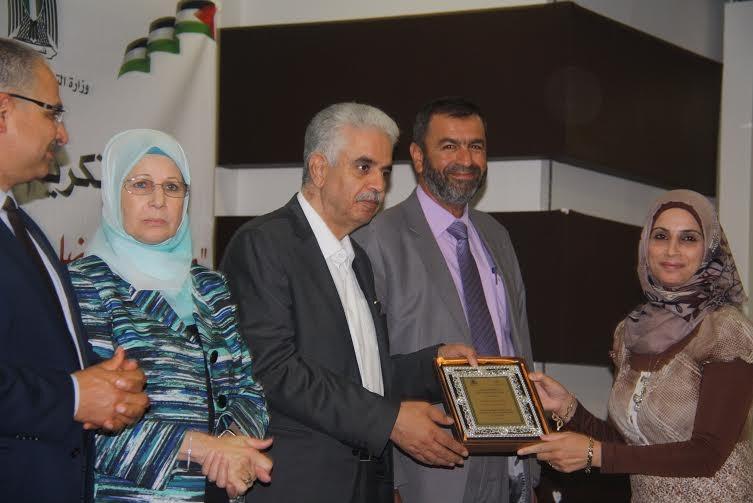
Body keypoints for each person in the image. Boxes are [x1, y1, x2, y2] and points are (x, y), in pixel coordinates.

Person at [220, 102, 479, 503]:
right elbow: (272, 369)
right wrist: (390, 421)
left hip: (366, 482)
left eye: (385, 172)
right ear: (319, 169)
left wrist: (433, 365)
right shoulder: (263, 244)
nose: (379, 185)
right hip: (298, 486)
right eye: (364, 167)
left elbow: (361, 374)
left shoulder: (357, 258)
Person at [68, 129, 272, 502]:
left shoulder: (209, 286)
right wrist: (201, 449)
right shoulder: (86, 284)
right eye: (141, 185)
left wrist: (231, 447)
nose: (159, 200)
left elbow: (247, 388)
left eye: (173, 187)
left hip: (217, 488)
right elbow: (87, 418)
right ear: (112, 193)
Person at [354, 97, 538, 503]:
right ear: (418, 157)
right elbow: (363, 370)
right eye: (449, 146)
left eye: (476, 146)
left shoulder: (497, 237)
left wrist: (530, 467)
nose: (466, 160)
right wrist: (390, 482)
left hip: (509, 461)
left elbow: (518, 343)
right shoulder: (376, 239)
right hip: (427, 470)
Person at [518, 189, 753, 501]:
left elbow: (707, 453)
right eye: (660, 236)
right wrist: (568, 409)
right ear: (645, 245)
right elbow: (630, 447)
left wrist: (596, 454)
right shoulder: (630, 333)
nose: (671, 250)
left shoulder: (724, 329)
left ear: (709, 250)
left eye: (688, 238)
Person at [0, 39, 149, 502]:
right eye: (52, 113)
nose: (63, 135)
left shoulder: (22, 226)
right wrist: (75, 396)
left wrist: (106, 386)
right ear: (3, 110)